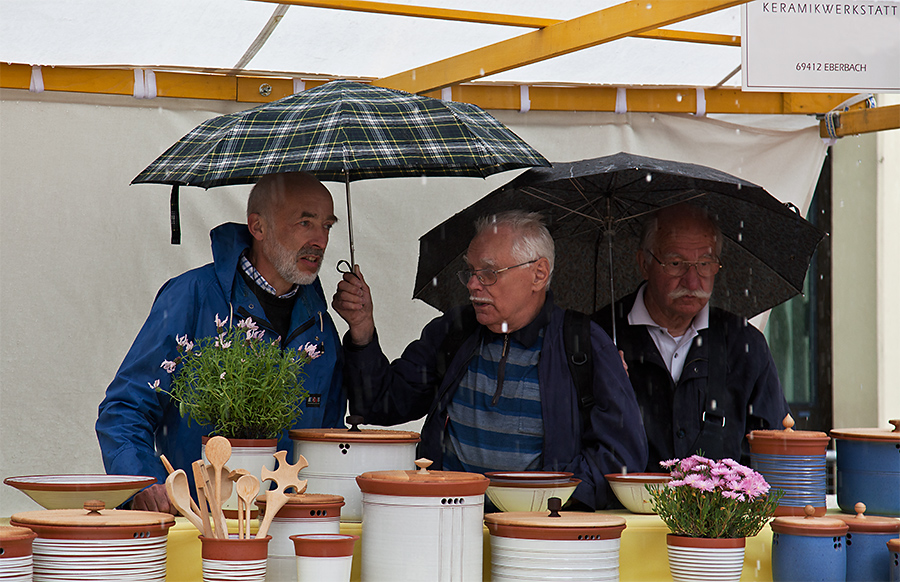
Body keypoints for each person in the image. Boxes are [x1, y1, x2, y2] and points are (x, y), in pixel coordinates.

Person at [332, 210, 647, 510]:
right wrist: (361, 327)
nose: (472, 284)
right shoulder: (454, 332)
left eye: (489, 273)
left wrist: (547, 496)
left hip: (535, 534)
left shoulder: (584, 343)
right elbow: (379, 404)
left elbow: (622, 457)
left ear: (539, 274)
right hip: (447, 521)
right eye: (470, 272)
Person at [96, 172, 345, 513]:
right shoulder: (192, 295)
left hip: (291, 530)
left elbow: (331, 439)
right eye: (305, 222)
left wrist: (362, 332)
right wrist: (145, 481)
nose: (320, 240)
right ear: (258, 228)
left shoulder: (320, 324)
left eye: (327, 226)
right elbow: (124, 410)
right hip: (195, 527)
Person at [593, 203, 790, 472]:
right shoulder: (599, 336)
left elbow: (772, 455)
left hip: (720, 512)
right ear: (644, 263)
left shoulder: (744, 344)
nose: (693, 282)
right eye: (676, 263)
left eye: (705, 264)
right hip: (621, 512)